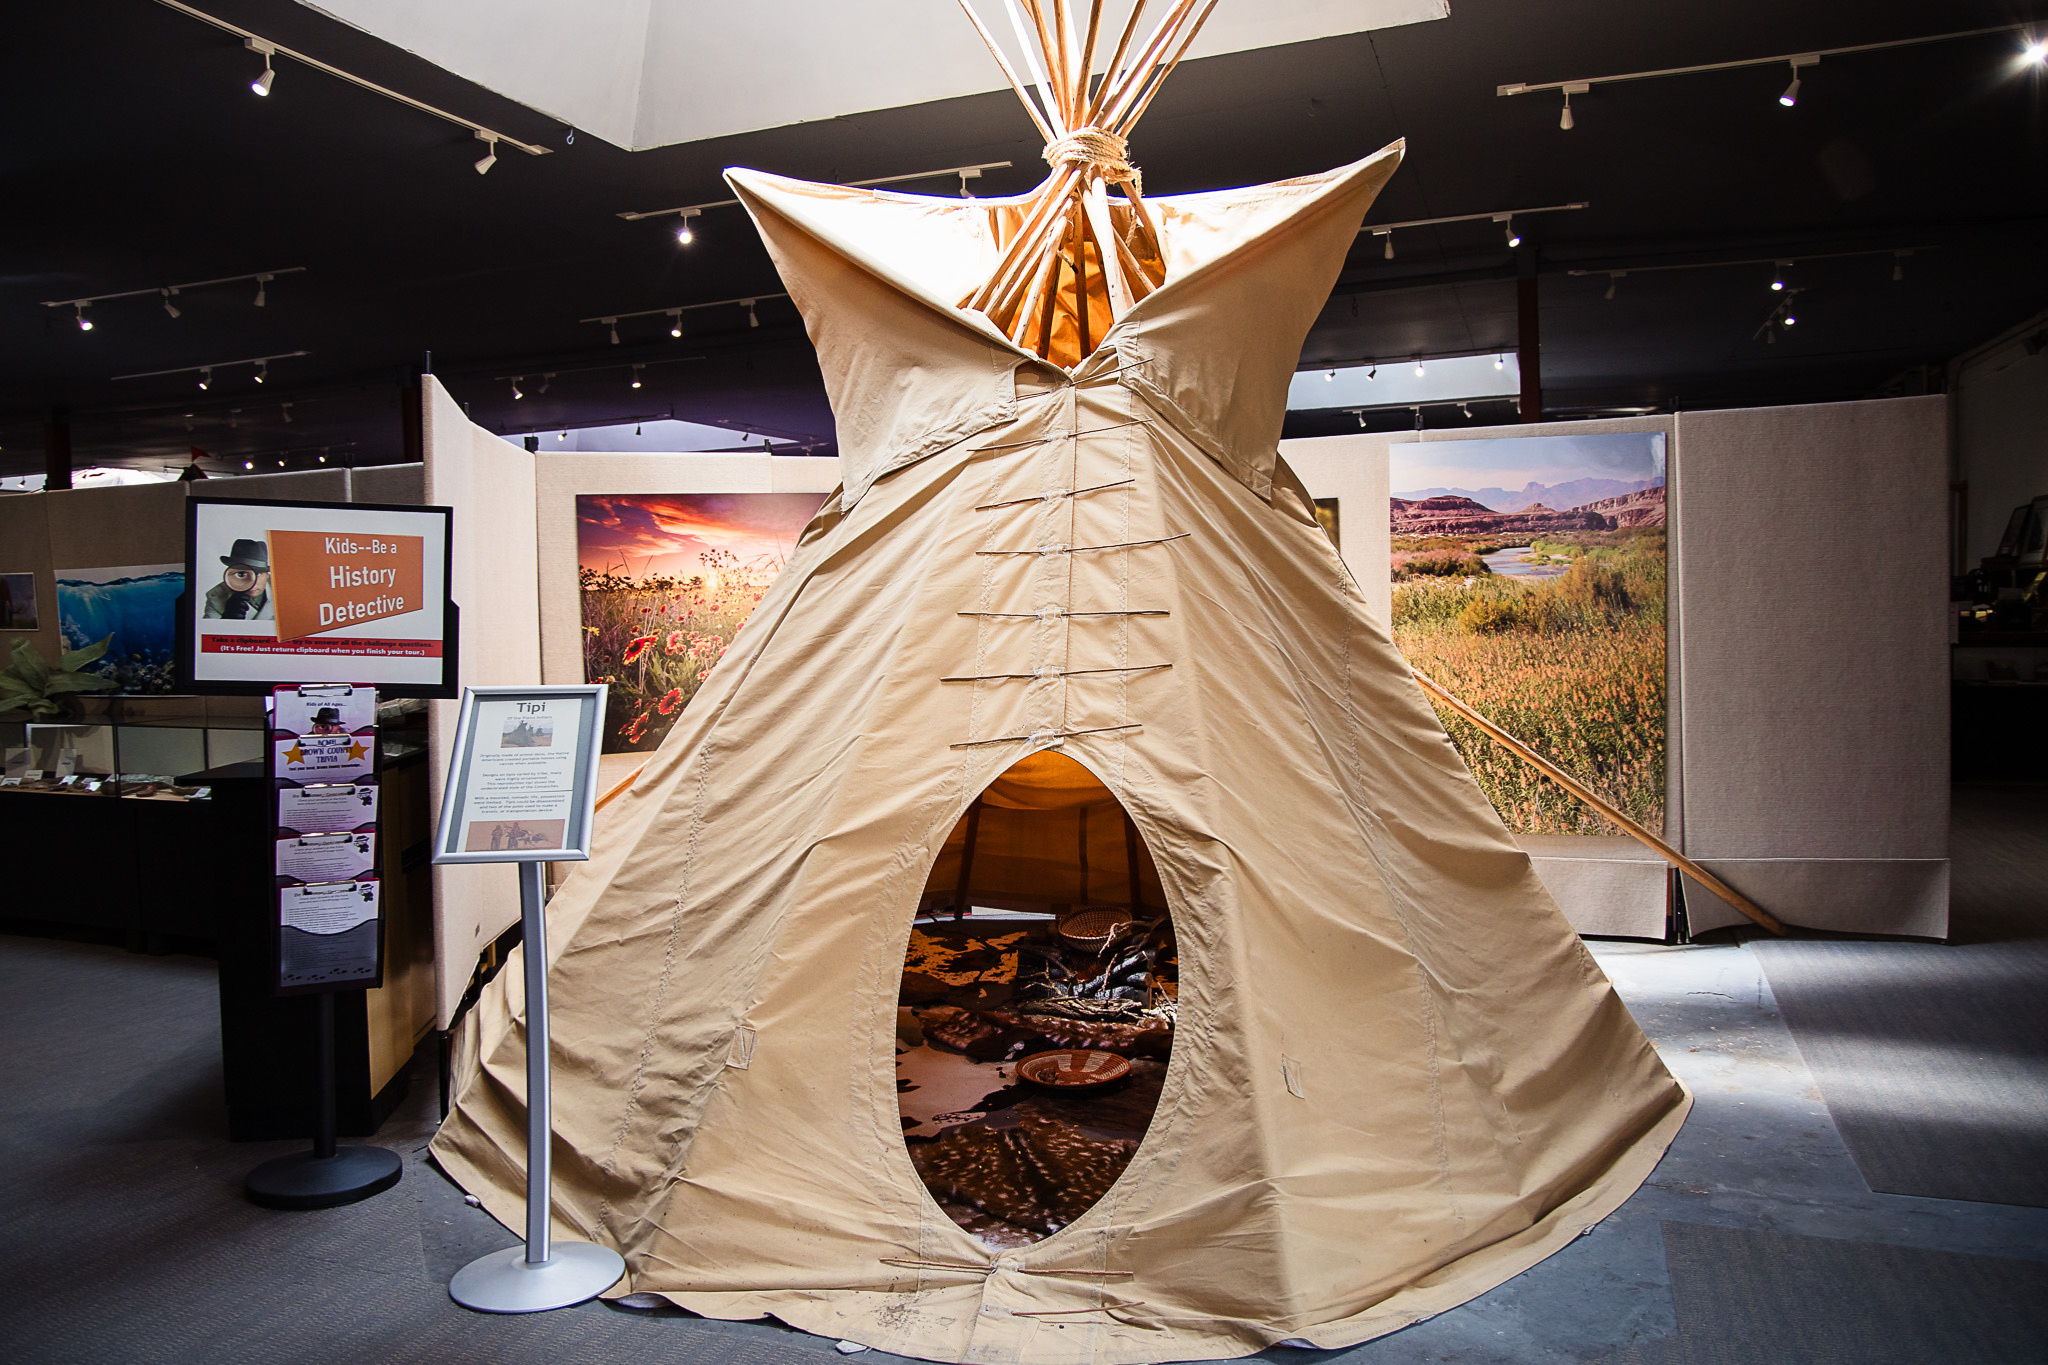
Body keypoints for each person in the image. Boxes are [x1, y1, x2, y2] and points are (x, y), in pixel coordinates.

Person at [201, 539, 274, 620]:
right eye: (242, 574)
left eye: (258, 574)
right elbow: (209, 629)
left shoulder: (283, 592)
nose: (252, 582)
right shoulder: (216, 598)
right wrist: (227, 619)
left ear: (267, 575)